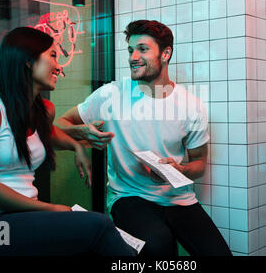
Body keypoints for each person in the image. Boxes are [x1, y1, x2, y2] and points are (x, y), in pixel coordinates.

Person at [56, 20, 232, 256]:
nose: (133, 57)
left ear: (166, 53)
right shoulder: (111, 95)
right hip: (129, 196)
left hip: (178, 199)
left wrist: (179, 169)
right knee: (159, 246)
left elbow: (199, 164)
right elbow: (60, 123)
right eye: (130, 50)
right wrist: (81, 135)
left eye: (142, 49)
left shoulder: (192, 105)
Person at [0, 27, 135, 256]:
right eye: (52, 56)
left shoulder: (41, 111)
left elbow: (47, 133)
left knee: (97, 236)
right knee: (98, 227)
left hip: (25, 219)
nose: (59, 67)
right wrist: (52, 209)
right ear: (29, 61)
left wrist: (76, 145)